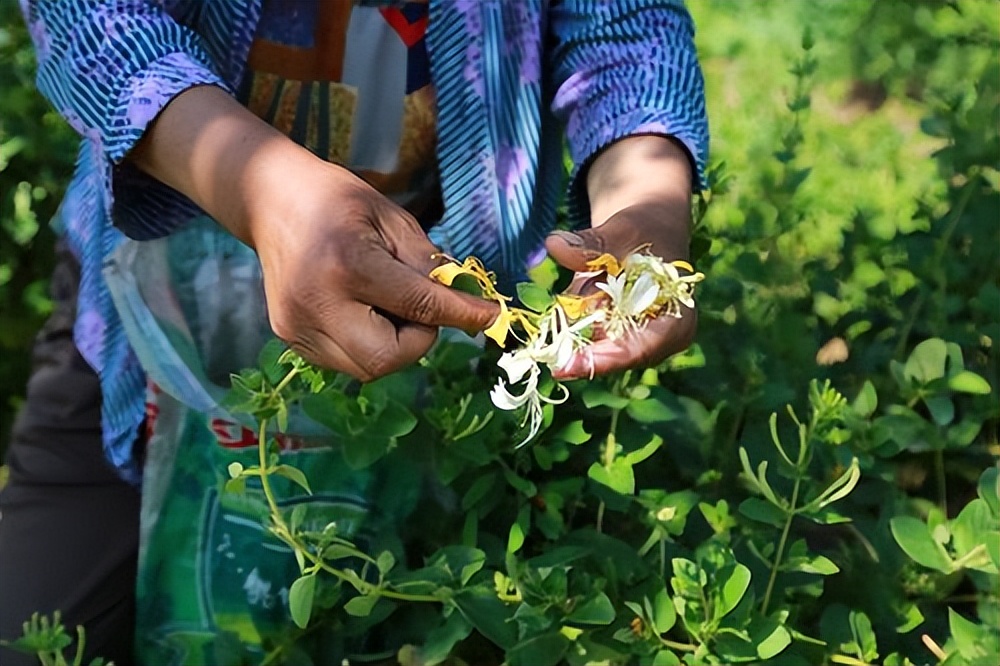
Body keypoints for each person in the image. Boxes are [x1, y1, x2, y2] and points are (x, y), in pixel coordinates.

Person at [0, 1, 707, 664]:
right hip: (144, 321)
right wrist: (260, 188)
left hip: (449, 345)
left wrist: (649, 203)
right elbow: (94, 23)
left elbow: (624, 27)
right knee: (34, 632)